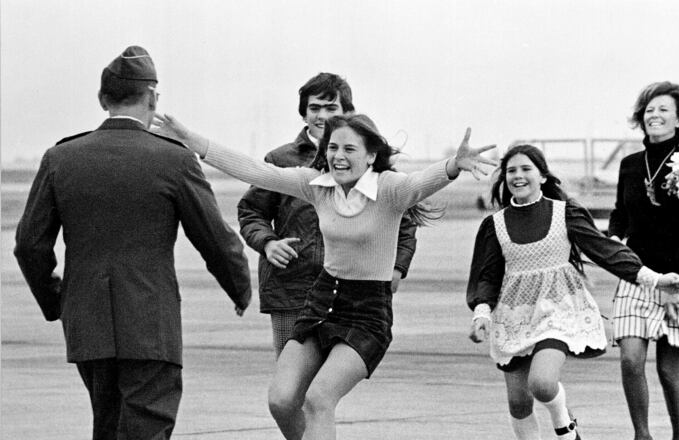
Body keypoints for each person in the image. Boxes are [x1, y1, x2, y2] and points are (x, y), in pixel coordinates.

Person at [153, 112, 496, 440]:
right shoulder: (318, 186)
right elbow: (255, 170)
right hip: (321, 304)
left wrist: (453, 165)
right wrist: (190, 139)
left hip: (367, 315)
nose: (338, 156)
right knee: (282, 400)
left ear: (371, 155)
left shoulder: (390, 189)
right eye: (333, 147)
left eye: (349, 149)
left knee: (318, 400)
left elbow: (421, 183)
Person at [13, 46, 252, 440]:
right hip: (150, 327)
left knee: (107, 426)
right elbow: (215, 239)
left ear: (102, 99)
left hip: (86, 324)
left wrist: (58, 300)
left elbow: (29, 245)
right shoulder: (173, 159)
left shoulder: (60, 158)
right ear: (153, 98)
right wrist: (239, 287)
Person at [467, 144, 679, 440]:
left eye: (526, 169)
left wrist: (654, 280)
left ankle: (565, 426)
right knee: (518, 403)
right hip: (515, 316)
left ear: (543, 176)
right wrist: (482, 313)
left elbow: (605, 250)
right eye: (511, 171)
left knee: (542, 383)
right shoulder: (495, 225)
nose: (518, 176)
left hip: (560, 310)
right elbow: (487, 276)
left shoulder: (564, 213)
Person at [237, 73, 418, 357]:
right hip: (292, 288)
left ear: (347, 113)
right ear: (303, 113)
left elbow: (404, 223)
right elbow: (251, 211)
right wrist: (268, 242)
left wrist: (397, 269)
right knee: (290, 386)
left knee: (328, 383)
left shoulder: (368, 163)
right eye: (314, 108)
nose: (322, 116)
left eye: (331, 108)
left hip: (352, 293)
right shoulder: (280, 160)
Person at [608, 81, 679, 440]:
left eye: (663, 110)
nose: (654, 116)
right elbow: (620, 213)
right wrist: (612, 238)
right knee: (630, 360)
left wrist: (671, 282)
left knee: (668, 369)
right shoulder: (629, 165)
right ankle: (642, 435)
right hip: (637, 275)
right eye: (649, 110)